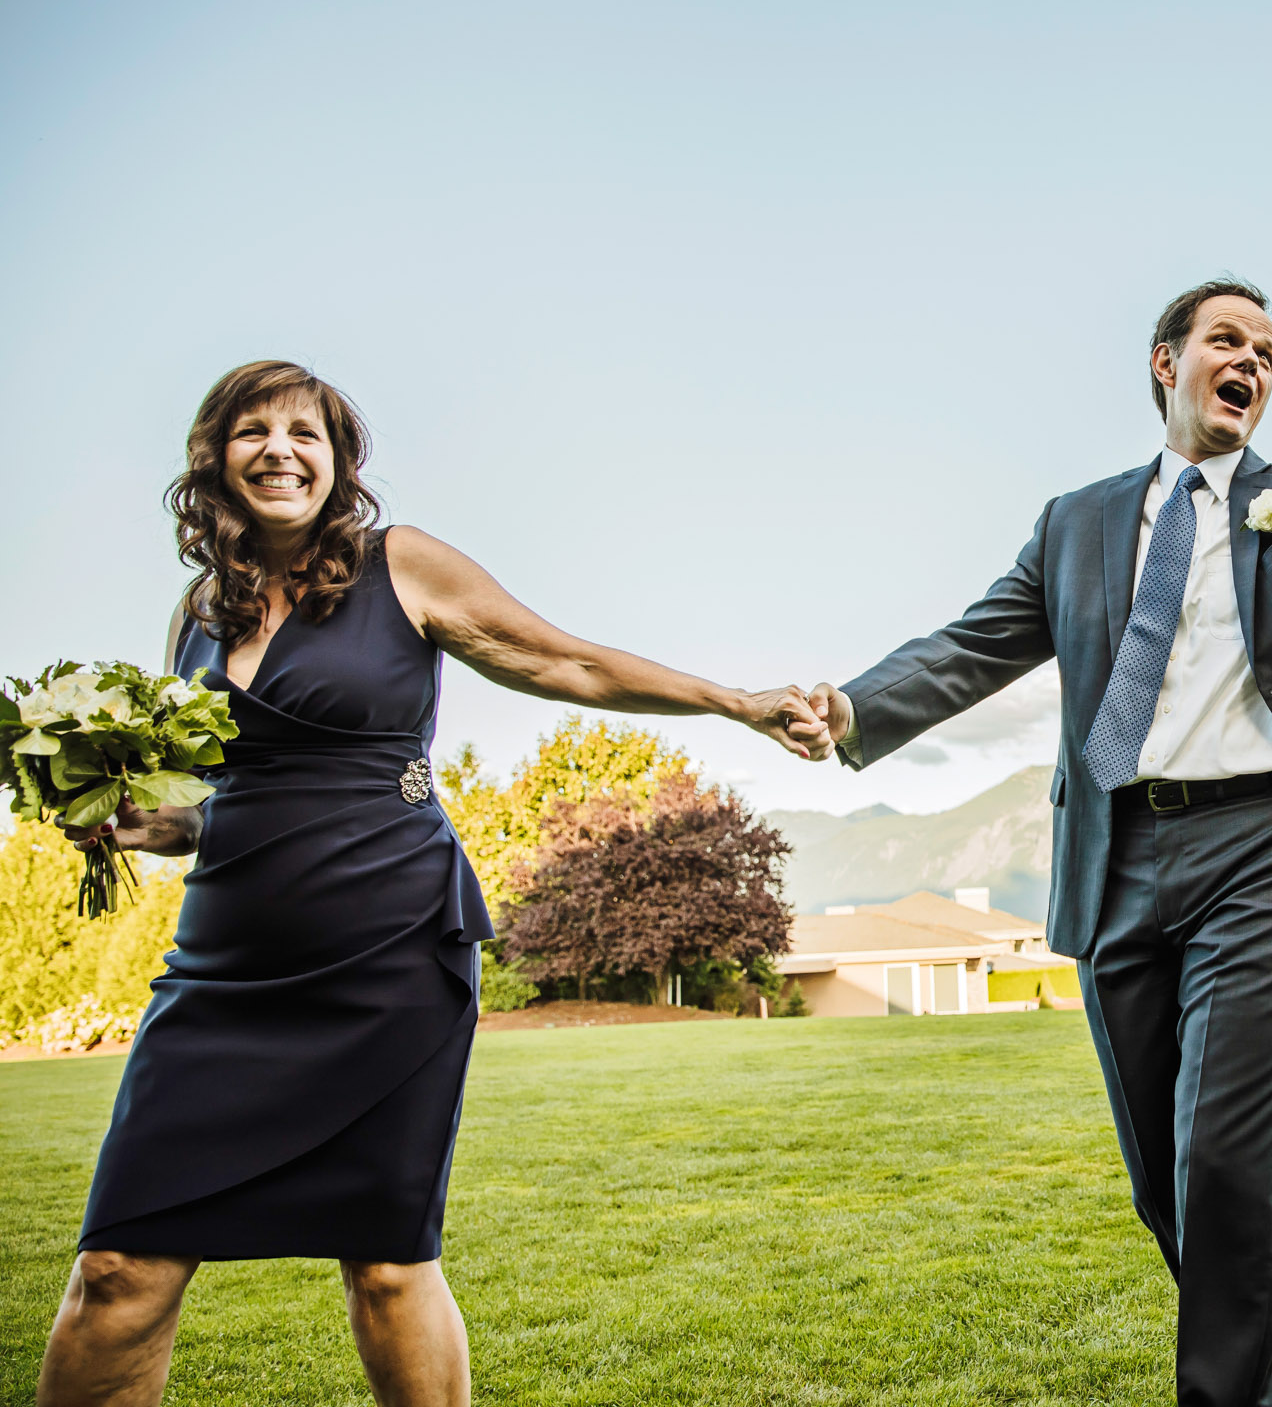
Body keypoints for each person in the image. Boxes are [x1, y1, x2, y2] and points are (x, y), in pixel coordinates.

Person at [807, 170, 1272, 1407]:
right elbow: (972, 646)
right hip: (1119, 861)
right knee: (1168, 1185)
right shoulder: (1076, 522)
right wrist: (852, 709)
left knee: (1222, 1157)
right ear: (1165, 361)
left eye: (1270, 351)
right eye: (1228, 340)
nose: (1253, 362)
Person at [36, 361, 827, 1407]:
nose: (281, 450)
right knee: (118, 1268)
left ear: (338, 460)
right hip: (224, 972)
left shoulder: (398, 565)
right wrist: (150, 824)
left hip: (390, 954)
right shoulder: (196, 616)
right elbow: (217, 797)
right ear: (214, 460)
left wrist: (735, 701)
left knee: (387, 1263)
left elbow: (569, 664)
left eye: (305, 433)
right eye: (255, 431)